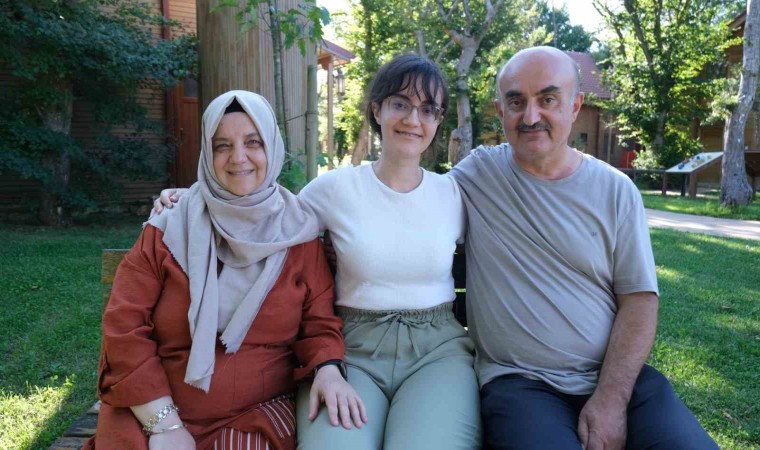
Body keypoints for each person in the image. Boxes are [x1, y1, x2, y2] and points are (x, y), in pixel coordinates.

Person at [152, 55, 482, 450]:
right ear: (377, 109)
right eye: (400, 103)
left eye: (428, 109)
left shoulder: (453, 195)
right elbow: (261, 209)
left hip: (437, 352)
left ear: (439, 121)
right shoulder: (334, 189)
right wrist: (194, 198)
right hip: (351, 351)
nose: (413, 119)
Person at [449, 46, 718, 449]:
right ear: (500, 111)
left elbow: (639, 300)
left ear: (575, 106)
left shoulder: (615, 190)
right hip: (520, 383)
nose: (531, 116)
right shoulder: (478, 175)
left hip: (615, 377)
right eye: (516, 102)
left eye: (548, 99)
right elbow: (409, 204)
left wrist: (611, 399)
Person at [87, 90, 363, 450]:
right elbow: (124, 327)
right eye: (222, 146)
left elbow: (319, 324)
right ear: (207, 152)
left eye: (253, 142)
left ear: (271, 147)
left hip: (253, 416)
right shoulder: (169, 229)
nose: (238, 157)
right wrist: (164, 425)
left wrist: (328, 368)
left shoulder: (297, 233)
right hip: (150, 411)